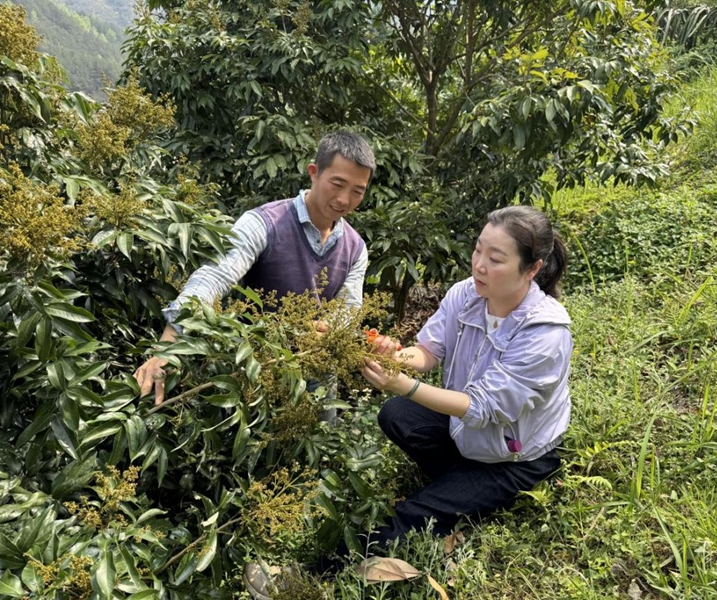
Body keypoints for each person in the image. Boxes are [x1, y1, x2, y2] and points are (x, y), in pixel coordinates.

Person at [243, 205, 572, 598]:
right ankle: (460, 488)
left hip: (514, 457)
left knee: (415, 512)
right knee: (397, 415)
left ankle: (306, 579)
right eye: (478, 250)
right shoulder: (467, 294)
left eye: (496, 259)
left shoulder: (545, 333)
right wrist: (384, 355)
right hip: (466, 432)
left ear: (531, 269)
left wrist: (405, 385)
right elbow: (427, 352)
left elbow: (481, 408)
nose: (480, 265)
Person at [134, 131, 376, 404]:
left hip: (315, 371)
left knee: (317, 439)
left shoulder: (356, 248)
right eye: (337, 184)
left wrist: (325, 329)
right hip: (252, 365)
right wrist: (168, 348)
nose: (345, 200)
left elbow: (349, 308)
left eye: (357, 192)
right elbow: (215, 276)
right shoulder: (264, 223)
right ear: (314, 172)